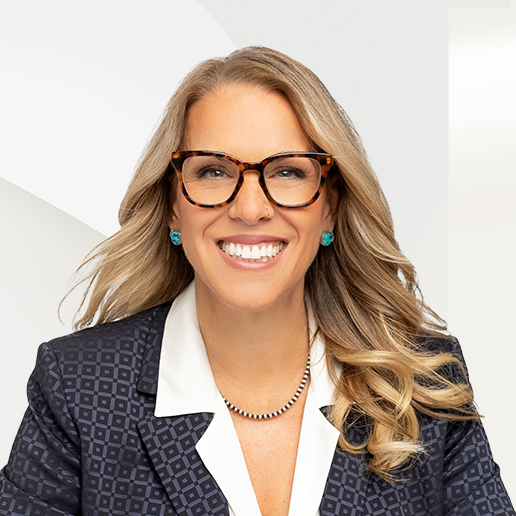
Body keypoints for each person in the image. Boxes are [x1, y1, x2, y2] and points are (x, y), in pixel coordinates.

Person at [0, 46, 513, 516]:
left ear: (330, 208)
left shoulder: (423, 383)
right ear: (173, 207)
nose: (249, 208)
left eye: (288, 172)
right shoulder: (79, 388)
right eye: (213, 171)